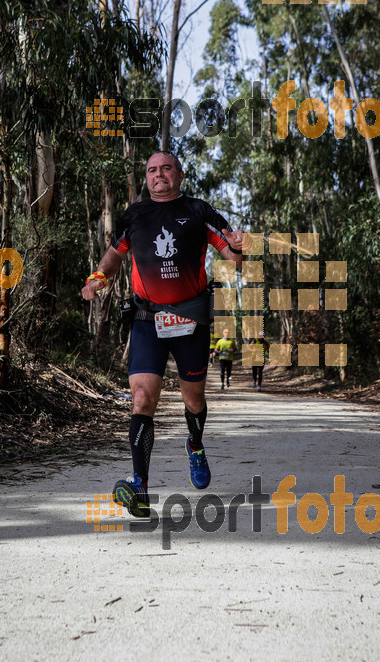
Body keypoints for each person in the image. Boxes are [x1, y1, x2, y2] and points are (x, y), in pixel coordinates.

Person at [81, 151, 245, 517]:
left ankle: (196, 445)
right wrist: (98, 278)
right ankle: (139, 485)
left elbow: (233, 257)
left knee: (194, 401)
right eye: (152, 170)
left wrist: (237, 245)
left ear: (180, 174)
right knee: (141, 399)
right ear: (147, 177)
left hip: (190, 320)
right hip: (145, 318)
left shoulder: (200, 211)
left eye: (166, 168)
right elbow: (113, 257)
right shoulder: (135, 216)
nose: (159, 175)